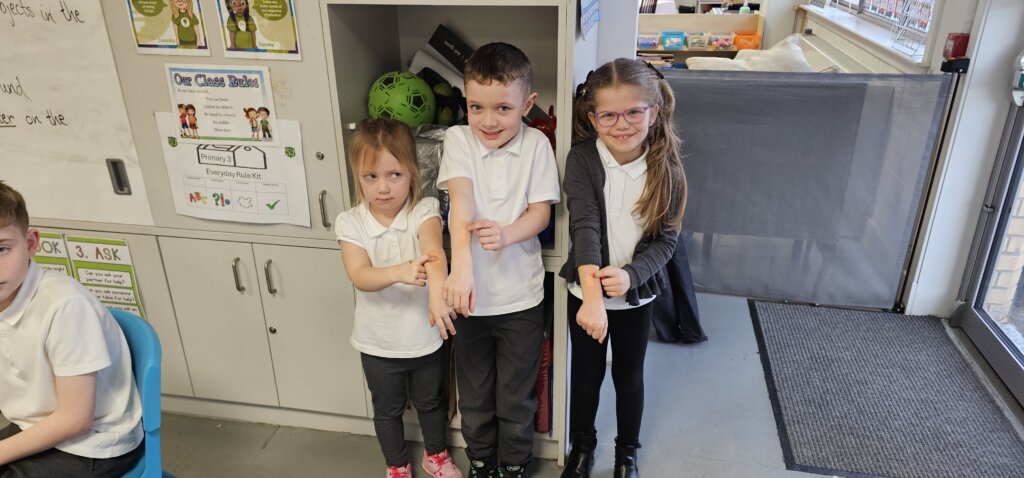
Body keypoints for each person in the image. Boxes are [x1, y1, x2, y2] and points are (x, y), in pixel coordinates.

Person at [437, 42, 560, 478]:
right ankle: (482, 461)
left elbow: (541, 212)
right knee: (474, 393)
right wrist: (461, 269)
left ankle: (513, 464)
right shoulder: (457, 139)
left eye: (503, 109)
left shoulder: (536, 147)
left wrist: (507, 234)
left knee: (515, 394)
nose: (489, 121)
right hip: (471, 299)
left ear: (527, 104)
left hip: (521, 299)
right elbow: (462, 203)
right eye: (476, 107)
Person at [559, 58, 687, 478]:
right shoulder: (582, 159)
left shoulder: (666, 168)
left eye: (634, 111)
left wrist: (631, 275)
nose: (622, 124)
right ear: (592, 117)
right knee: (585, 378)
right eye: (609, 114)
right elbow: (586, 226)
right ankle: (582, 449)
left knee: (629, 379)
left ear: (654, 110)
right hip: (585, 296)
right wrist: (592, 299)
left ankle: (626, 453)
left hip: (636, 296)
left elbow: (666, 241)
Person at [336, 118, 462, 478]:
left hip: (425, 337)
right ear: (357, 177)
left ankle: (435, 456)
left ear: (412, 172)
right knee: (387, 409)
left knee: (430, 402)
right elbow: (359, 275)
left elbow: (434, 251)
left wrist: (437, 293)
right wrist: (400, 271)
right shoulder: (350, 222)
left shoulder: (424, 210)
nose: (383, 188)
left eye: (394, 175)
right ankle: (397, 465)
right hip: (377, 343)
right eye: (370, 177)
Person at [0, 181, 144, 477]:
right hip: (36, 424)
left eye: (2, 249)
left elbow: (75, 419)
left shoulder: (65, 307)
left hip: (94, 443)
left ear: (30, 244)